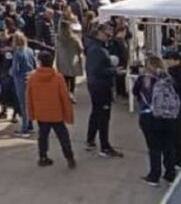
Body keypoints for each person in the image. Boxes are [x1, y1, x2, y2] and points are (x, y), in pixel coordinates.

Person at [132, 55, 179, 186]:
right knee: (169, 146)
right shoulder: (168, 79)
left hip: (149, 116)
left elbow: (135, 92)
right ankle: (170, 174)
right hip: (168, 117)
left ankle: (154, 176)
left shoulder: (143, 79)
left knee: (154, 147)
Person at [26, 50, 76, 169]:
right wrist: (68, 114)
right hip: (56, 113)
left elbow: (29, 97)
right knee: (63, 136)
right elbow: (64, 97)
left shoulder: (33, 78)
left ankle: (43, 157)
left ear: (39, 62)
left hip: (41, 113)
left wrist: (31, 114)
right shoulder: (58, 77)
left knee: (42, 136)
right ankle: (69, 157)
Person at [84, 25, 123, 157]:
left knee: (96, 113)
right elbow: (96, 70)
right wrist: (114, 71)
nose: (109, 37)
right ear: (99, 34)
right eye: (107, 35)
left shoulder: (96, 47)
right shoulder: (97, 49)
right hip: (100, 86)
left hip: (96, 85)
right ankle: (104, 146)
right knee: (103, 116)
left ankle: (90, 140)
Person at [164, 51, 181, 166]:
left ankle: (178, 158)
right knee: (175, 132)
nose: (167, 61)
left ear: (177, 61)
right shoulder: (180, 72)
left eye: (170, 59)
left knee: (174, 133)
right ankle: (179, 157)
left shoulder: (175, 73)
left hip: (176, 105)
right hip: (179, 104)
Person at [9, 32, 36, 136]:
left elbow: (15, 69)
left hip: (20, 79)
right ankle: (30, 124)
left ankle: (24, 127)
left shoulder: (17, 53)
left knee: (23, 104)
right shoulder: (30, 50)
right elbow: (35, 64)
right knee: (29, 102)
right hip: (30, 76)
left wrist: (10, 72)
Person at [55, 20, 83, 102]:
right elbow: (80, 48)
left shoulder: (58, 38)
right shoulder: (74, 38)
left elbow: (56, 49)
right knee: (72, 79)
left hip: (62, 61)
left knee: (64, 80)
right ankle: (71, 95)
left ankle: (65, 95)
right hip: (72, 61)